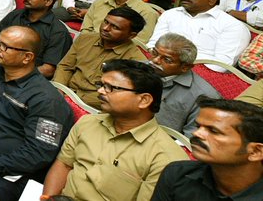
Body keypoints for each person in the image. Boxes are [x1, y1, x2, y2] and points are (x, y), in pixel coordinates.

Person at [42, 60, 190, 200]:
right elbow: (63, 164)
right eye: (101, 84)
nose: (100, 91)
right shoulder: (88, 122)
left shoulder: (166, 158)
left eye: (111, 88)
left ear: (144, 100)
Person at [0, 26, 75, 201]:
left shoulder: (46, 100)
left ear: (27, 57)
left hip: (8, 173)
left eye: (5, 46)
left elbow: (38, 153)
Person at [150, 98, 263, 200]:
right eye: (198, 126)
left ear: (256, 151)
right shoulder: (177, 173)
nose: (197, 133)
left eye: (214, 131)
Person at [53, 7, 147, 106]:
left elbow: (121, 96)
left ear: (132, 35)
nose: (105, 28)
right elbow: (65, 67)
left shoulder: (136, 61)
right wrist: (59, 90)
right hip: (66, 93)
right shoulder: (85, 39)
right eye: (106, 22)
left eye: (115, 27)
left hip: (95, 106)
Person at [149, 0, 250, 68]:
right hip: (159, 65)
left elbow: (222, 65)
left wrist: (178, 60)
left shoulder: (232, 26)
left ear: (211, 0)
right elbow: (153, 44)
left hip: (201, 75)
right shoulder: (170, 14)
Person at [0, 0, 74, 77]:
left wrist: (14, 75)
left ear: (48, 1)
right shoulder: (14, 15)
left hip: (28, 81)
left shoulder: (58, 32)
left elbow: (48, 70)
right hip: (0, 72)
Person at [148, 33, 219, 136]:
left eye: (167, 59)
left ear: (185, 67)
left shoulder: (204, 96)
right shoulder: (137, 68)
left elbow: (191, 140)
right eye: (154, 53)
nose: (155, 60)